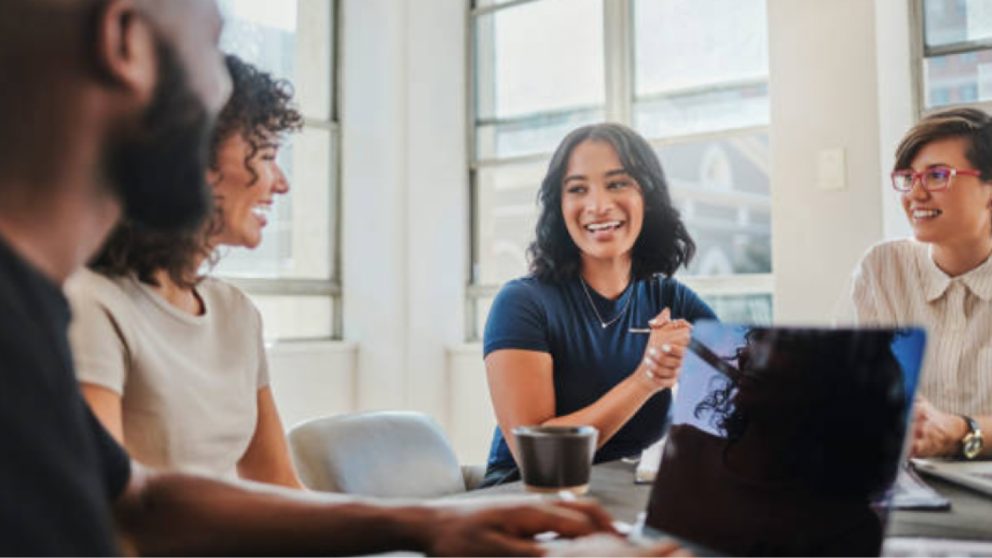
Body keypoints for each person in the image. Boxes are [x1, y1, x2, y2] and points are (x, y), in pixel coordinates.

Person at [0, 0, 624, 554]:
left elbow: (142, 497)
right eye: (213, 45)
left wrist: (427, 525)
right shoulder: (66, 312)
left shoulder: (35, 311)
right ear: (125, 41)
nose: (280, 179)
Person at [67, 54, 303, 488]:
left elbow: (280, 484)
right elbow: (114, 510)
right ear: (197, 155)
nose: (281, 182)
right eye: (266, 154)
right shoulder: (92, 304)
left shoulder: (237, 313)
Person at [483, 123, 716, 487]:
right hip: (529, 498)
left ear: (648, 197)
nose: (598, 205)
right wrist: (647, 379)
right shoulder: (522, 303)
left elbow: (749, 383)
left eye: (617, 183)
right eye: (577, 189)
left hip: (626, 492)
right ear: (559, 207)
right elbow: (538, 458)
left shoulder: (669, 298)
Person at [649, 328, 906, 556]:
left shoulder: (847, 529)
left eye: (784, 345)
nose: (751, 355)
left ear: (837, 382)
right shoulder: (681, 450)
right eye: (759, 337)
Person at [852, 107, 992, 459]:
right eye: (908, 177)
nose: (915, 194)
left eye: (936, 176)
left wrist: (960, 431)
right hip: (907, 484)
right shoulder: (883, 269)